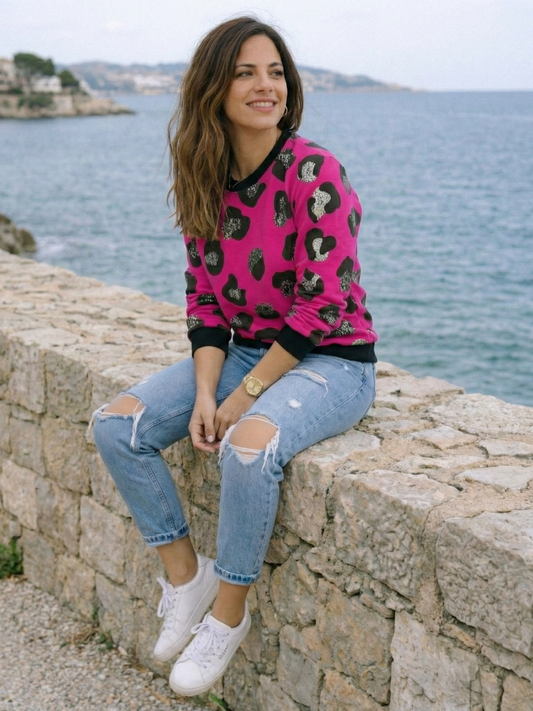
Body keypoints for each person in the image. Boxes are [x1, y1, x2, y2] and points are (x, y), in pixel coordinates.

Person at [92, 16, 377, 698]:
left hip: (333, 360)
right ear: (214, 88)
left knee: (248, 446)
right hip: (246, 351)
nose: (264, 85)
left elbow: (321, 305)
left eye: (275, 72)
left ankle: (227, 614)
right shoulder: (206, 179)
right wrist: (205, 391)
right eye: (246, 72)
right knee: (117, 426)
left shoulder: (314, 172)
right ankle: (185, 580)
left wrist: (243, 395)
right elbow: (205, 303)